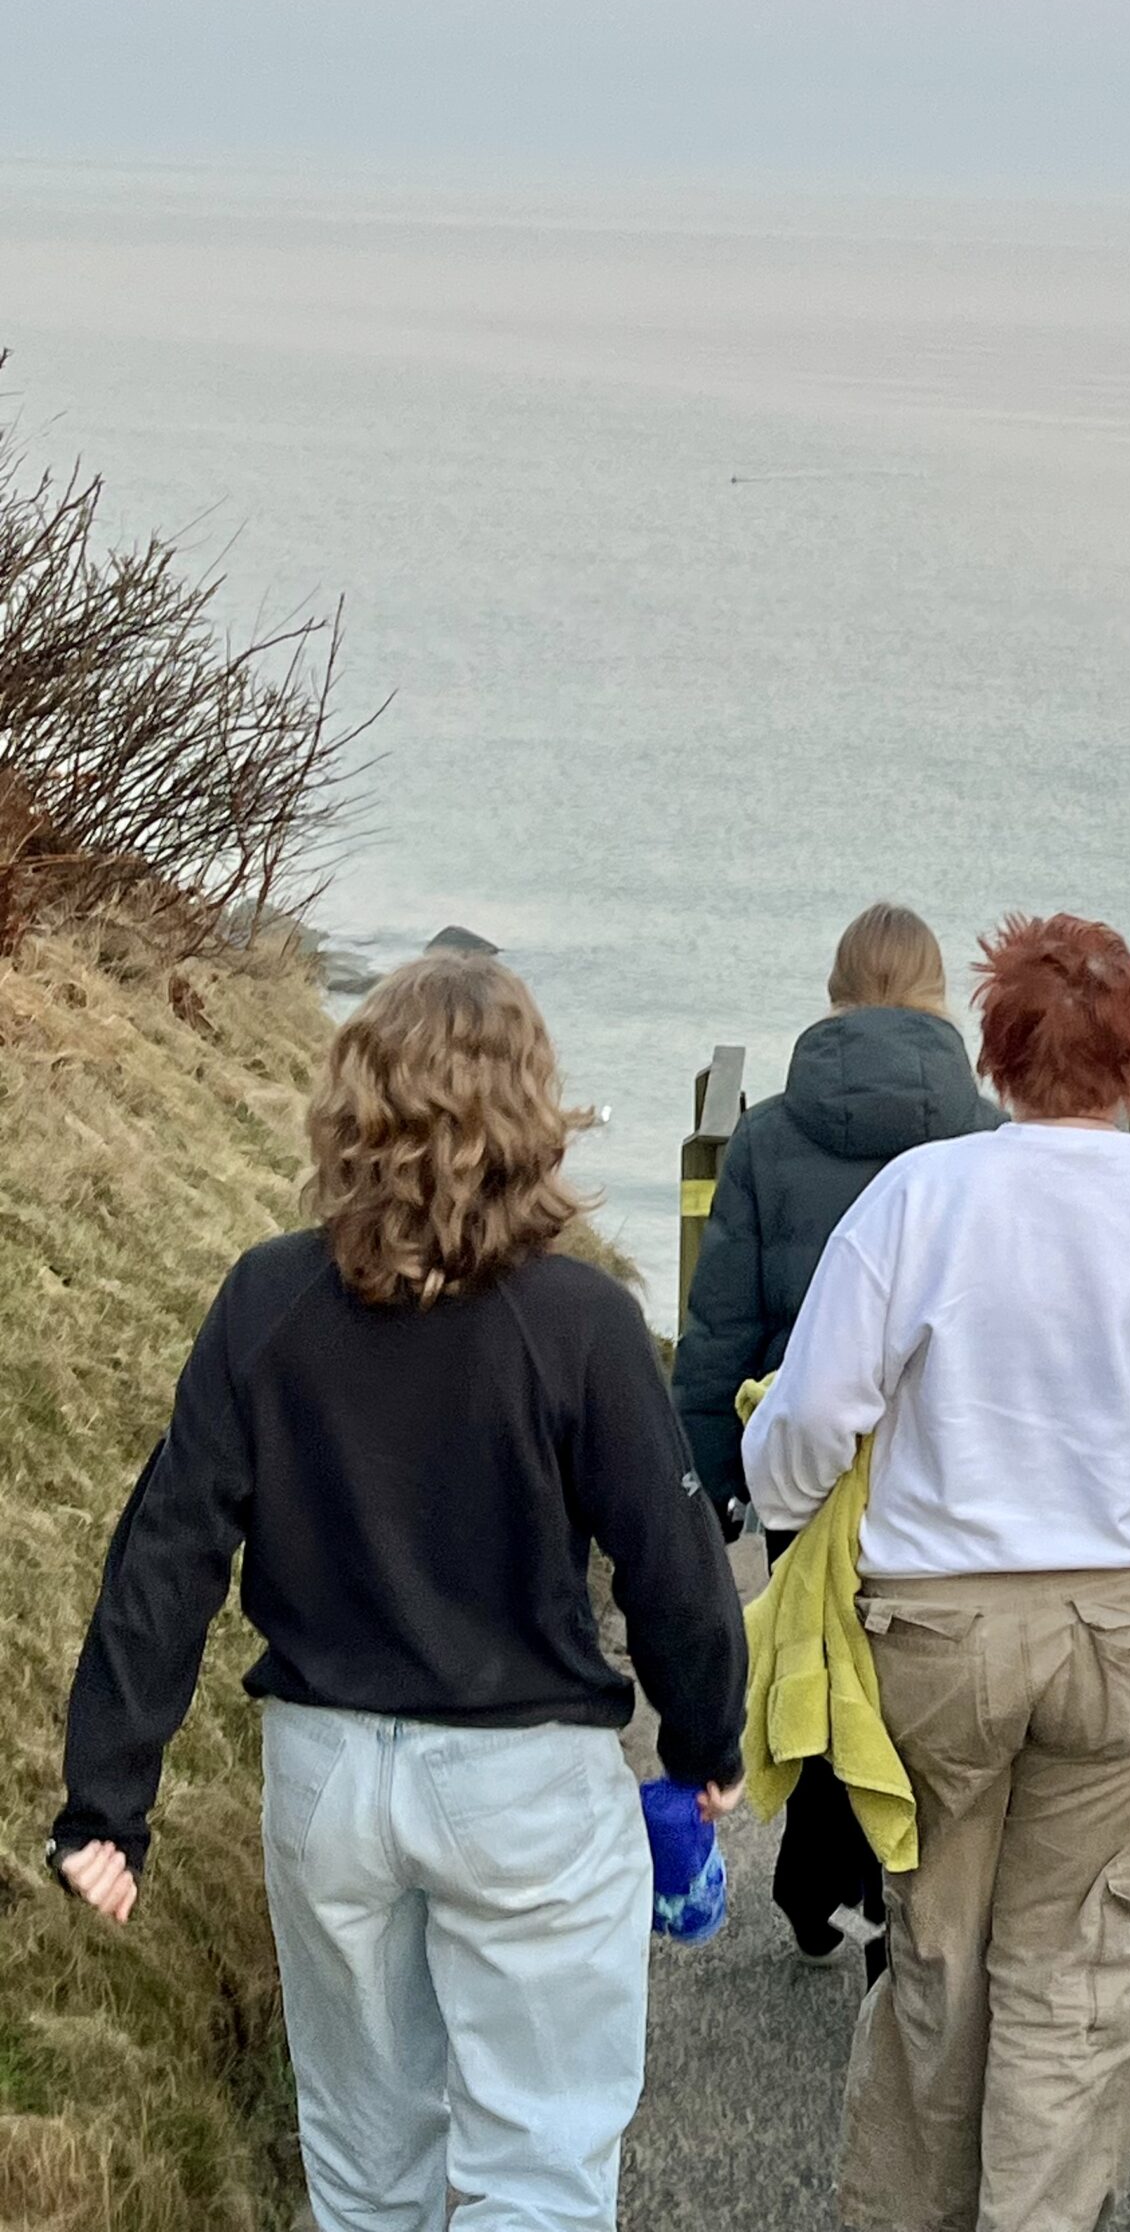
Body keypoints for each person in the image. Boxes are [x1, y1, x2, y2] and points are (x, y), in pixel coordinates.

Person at [49, 953, 747, 2232]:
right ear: (532, 1113)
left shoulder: (267, 1299)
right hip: (521, 1788)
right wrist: (705, 1741)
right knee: (533, 2172)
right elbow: (676, 1570)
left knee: (367, 2178)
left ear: (349, 1110)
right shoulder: (583, 1323)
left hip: (324, 1784)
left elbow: (168, 1551)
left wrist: (107, 1799)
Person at [743, 913, 1130, 2232]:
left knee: (935, 1948)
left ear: (994, 1061)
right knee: (1079, 1964)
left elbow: (809, 1422)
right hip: (1129, 1628)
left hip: (937, 1630)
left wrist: (781, 1505)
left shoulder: (922, 1197)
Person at [674, 900, 1001, 1973]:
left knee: (815, 1665)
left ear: (835, 996)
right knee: (918, 1687)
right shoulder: (994, 1140)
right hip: (942, 1462)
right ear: (938, 998)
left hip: (801, 1457)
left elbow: (719, 1322)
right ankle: (888, 1900)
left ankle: (817, 1886)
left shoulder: (766, 1135)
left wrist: (709, 1480)